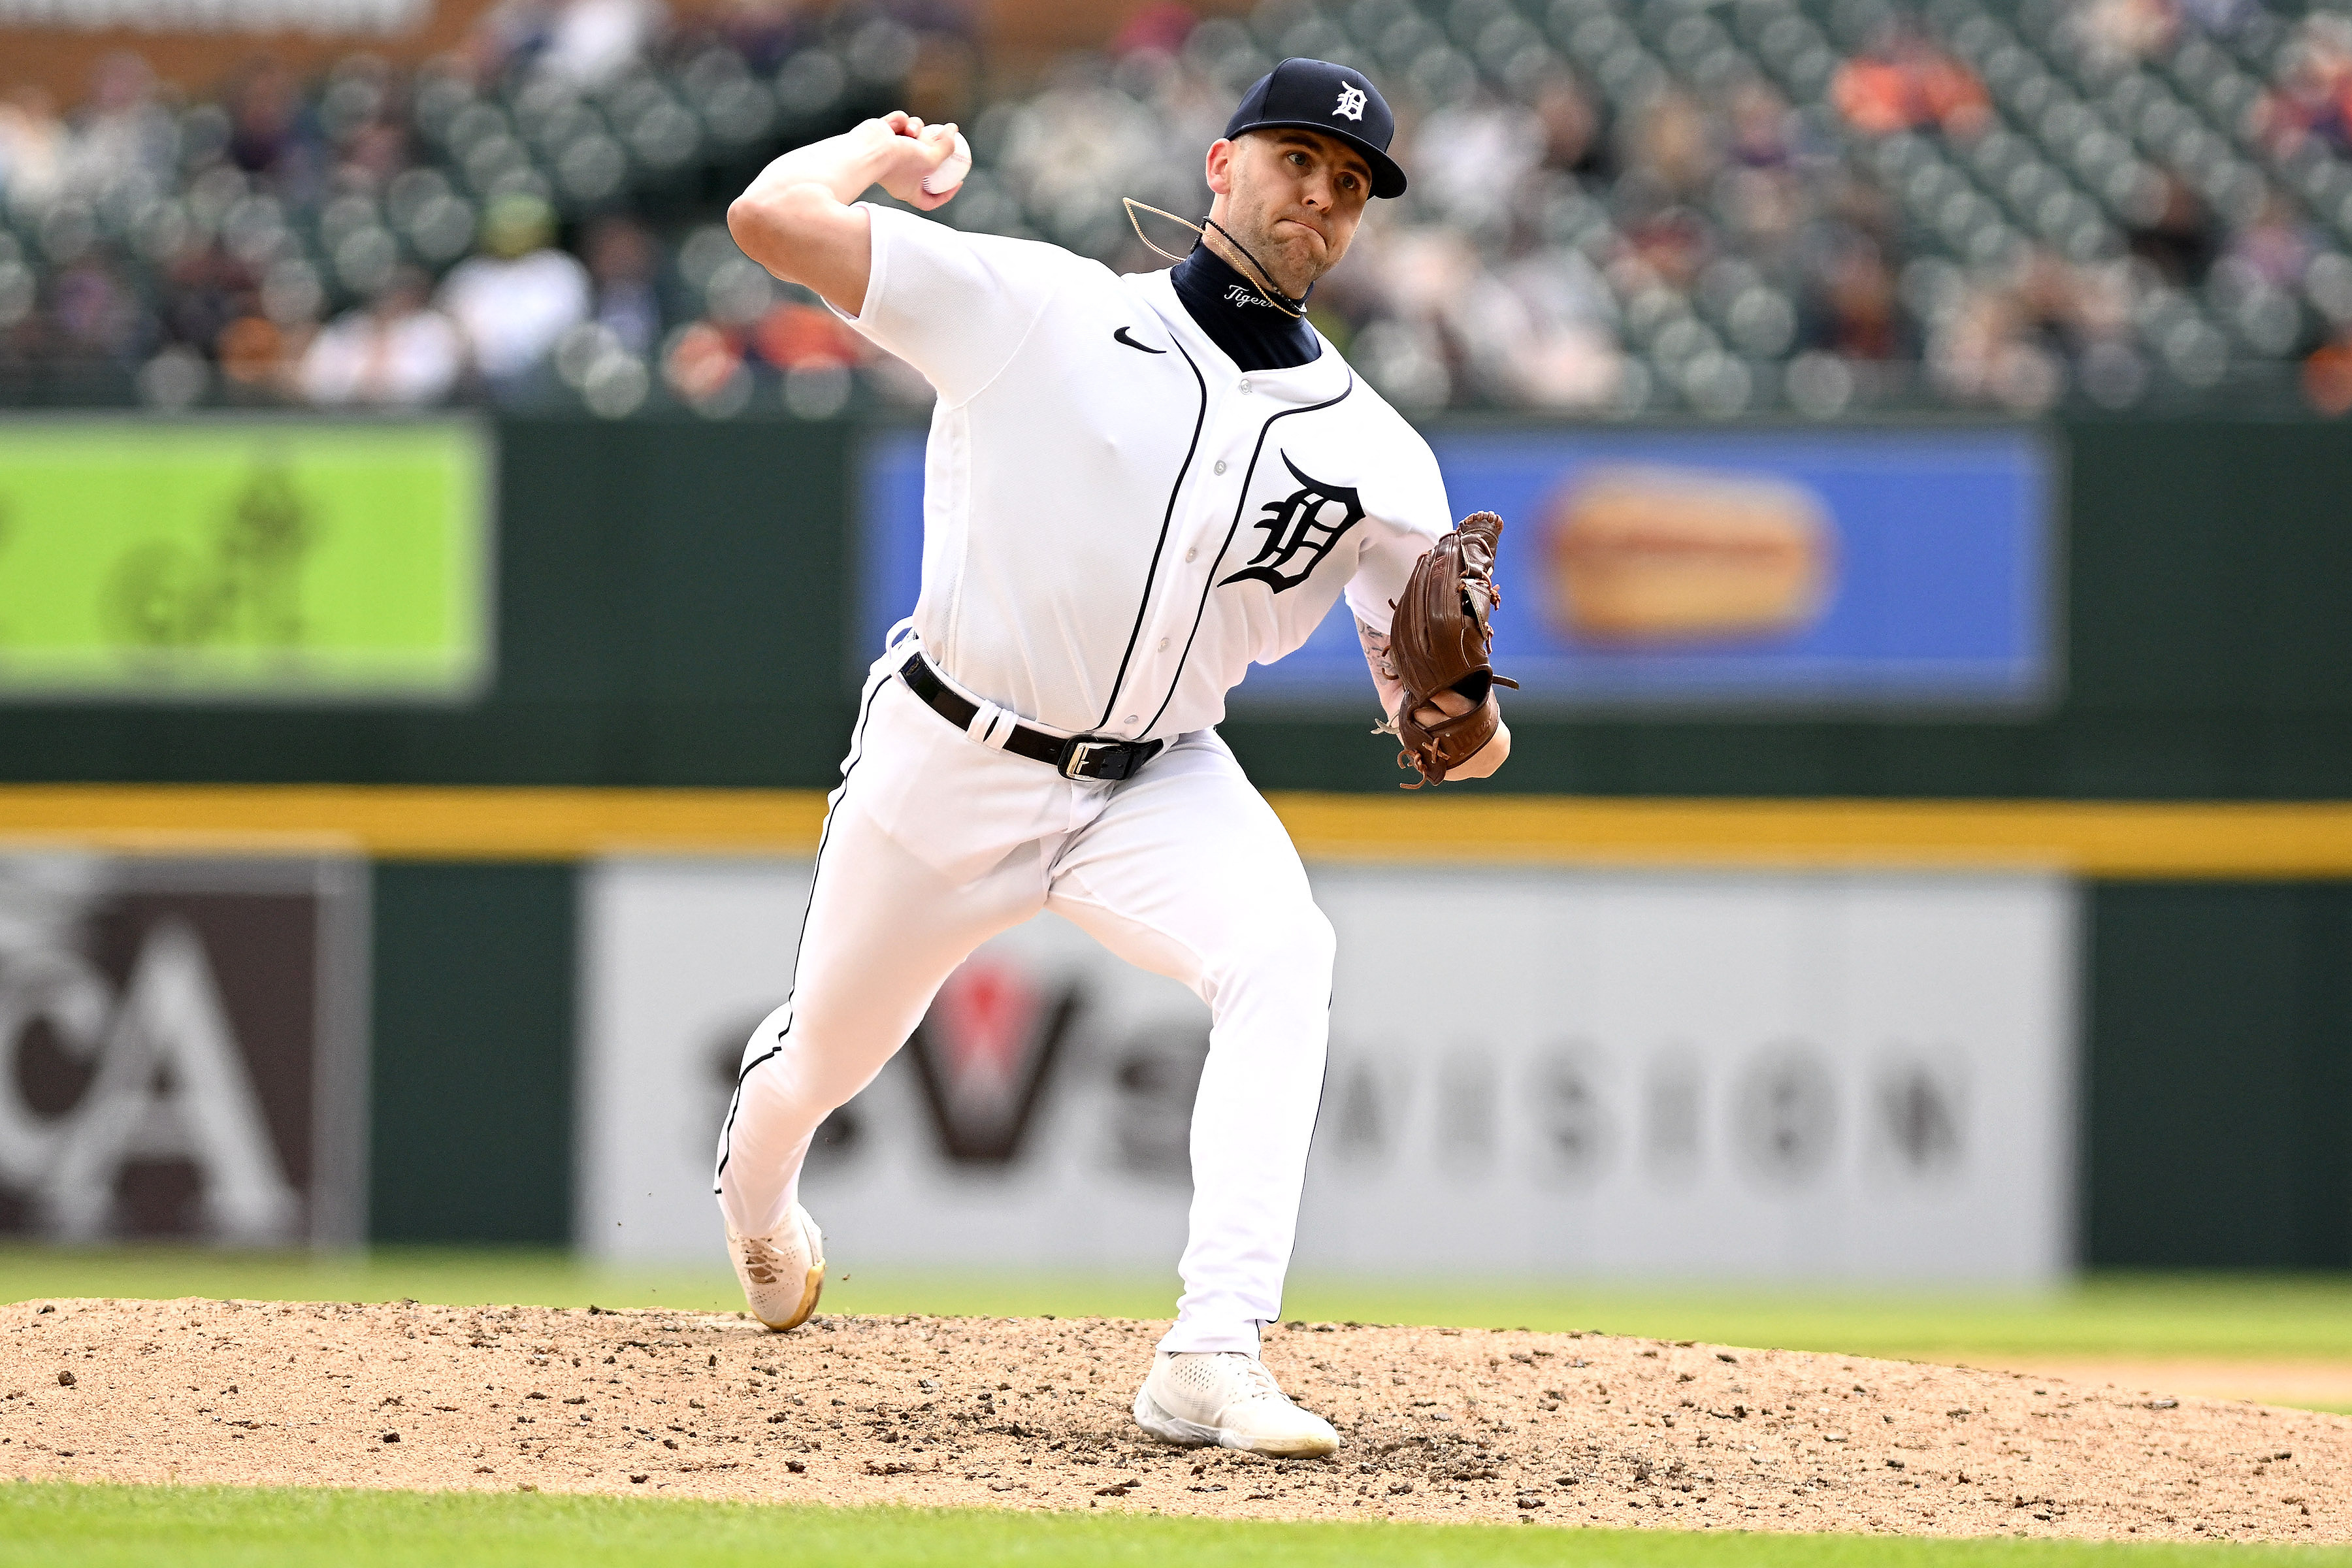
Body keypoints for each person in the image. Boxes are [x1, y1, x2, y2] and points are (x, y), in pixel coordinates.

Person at [716, 58, 1509, 1460]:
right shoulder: (1041, 308)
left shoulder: (1381, 457)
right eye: (1294, 162)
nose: (1317, 198)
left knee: (1286, 957)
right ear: (1220, 167)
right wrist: (865, 148)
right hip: (948, 754)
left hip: (1158, 778)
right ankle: (760, 1203)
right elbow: (770, 223)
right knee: (822, 1063)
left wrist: (1465, 720)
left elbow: (1445, 735)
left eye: (1348, 187)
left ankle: (1212, 1350)